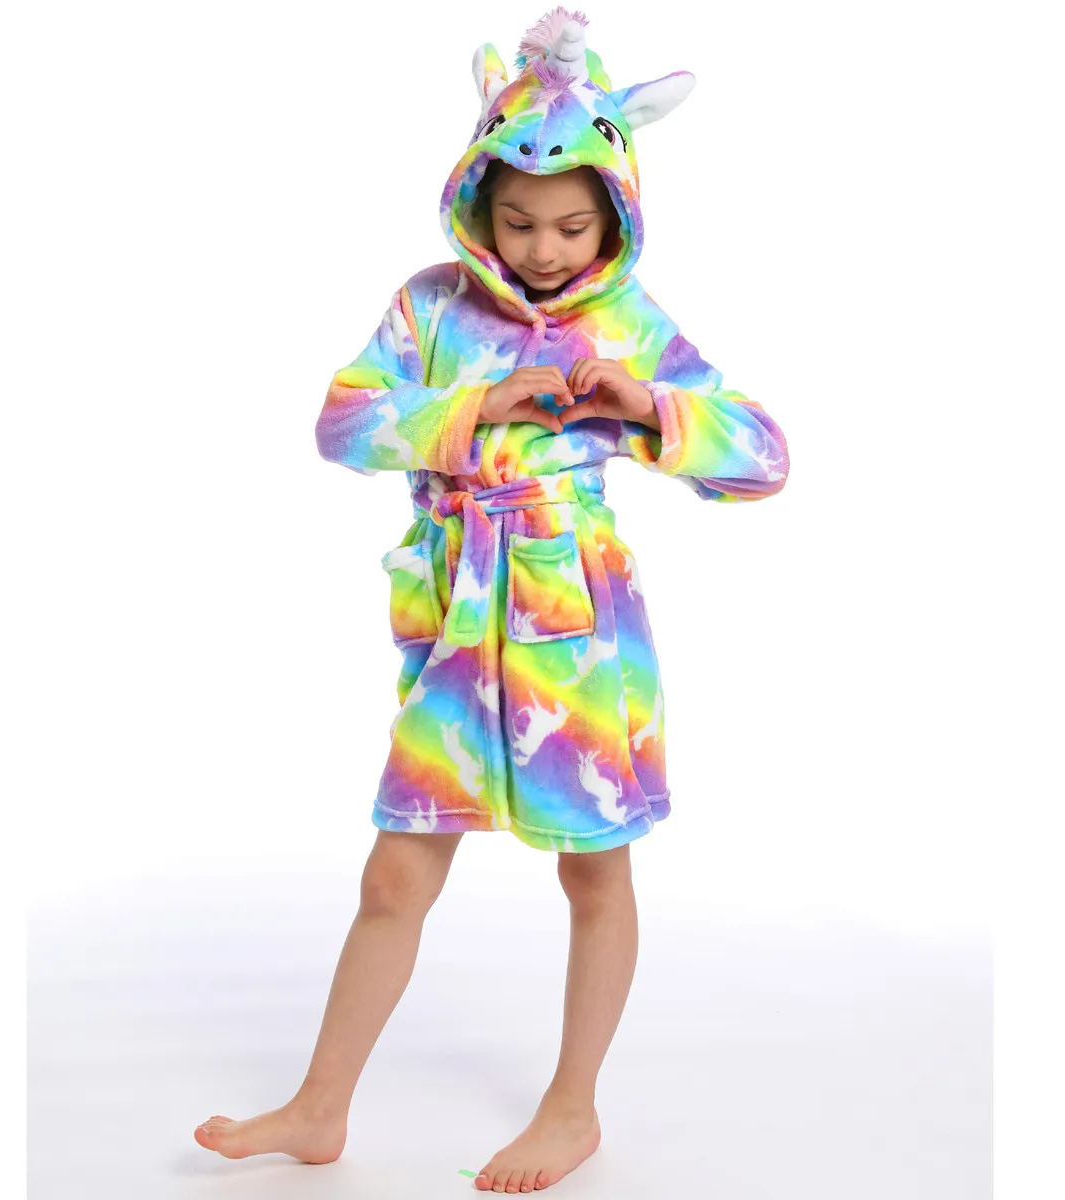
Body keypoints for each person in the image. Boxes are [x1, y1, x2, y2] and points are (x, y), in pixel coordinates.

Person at [194, 7, 789, 1194]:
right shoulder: (429, 308)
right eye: (518, 222)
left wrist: (647, 407)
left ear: (616, 213)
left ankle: (574, 1110)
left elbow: (763, 459)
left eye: (573, 225)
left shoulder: (629, 323)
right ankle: (319, 1108)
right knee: (394, 875)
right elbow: (341, 427)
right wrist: (472, 408)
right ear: (475, 204)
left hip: (580, 638)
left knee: (595, 872)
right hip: (458, 630)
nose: (545, 248)